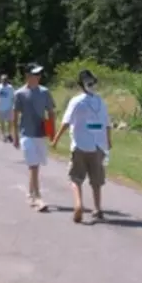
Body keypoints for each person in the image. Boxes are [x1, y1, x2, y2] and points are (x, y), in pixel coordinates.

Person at [52, 69, 112, 223]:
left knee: (76, 178)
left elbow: (66, 122)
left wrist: (56, 139)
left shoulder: (76, 101)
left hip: (80, 145)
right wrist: (108, 141)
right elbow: (107, 124)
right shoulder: (100, 101)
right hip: (98, 146)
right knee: (96, 180)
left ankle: (78, 205)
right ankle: (97, 208)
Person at [12, 62, 56, 211]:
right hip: (26, 134)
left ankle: (30, 194)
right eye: (35, 74)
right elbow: (15, 115)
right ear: (28, 76)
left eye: (39, 74)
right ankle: (38, 197)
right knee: (33, 165)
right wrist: (15, 135)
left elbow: (50, 112)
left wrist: (51, 132)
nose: (38, 77)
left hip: (40, 133)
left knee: (36, 165)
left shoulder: (44, 92)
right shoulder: (19, 93)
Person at [0, 73, 16, 142]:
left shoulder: (10, 88)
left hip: (9, 107)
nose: (4, 80)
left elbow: (13, 97)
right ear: (1, 80)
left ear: (7, 80)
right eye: (3, 79)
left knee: (10, 122)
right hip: (0, 108)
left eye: (5, 79)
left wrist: (14, 105)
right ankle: (4, 136)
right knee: (2, 123)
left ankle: (9, 134)